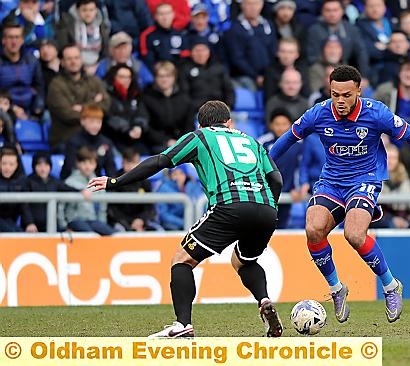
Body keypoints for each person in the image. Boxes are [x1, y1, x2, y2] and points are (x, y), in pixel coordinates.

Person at [87, 100, 284, 338]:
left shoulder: (199, 137)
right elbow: (277, 179)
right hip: (266, 209)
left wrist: (115, 182)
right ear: (229, 123)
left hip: (229, 205)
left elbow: (160, 161)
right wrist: (267, 208)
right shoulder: (252, 141)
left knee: (182, 260)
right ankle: (264, 301)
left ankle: (183, 325)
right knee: (244, 262)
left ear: (200, 124)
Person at [269, 65, 410, 324]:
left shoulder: (376, 113)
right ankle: (337, 289)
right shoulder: (319, 113)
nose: (340, 100)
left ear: (359, 91)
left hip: (365, 179)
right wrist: (264, 167)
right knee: (314, 229)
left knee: (354, 234)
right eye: (335, 94)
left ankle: (391, 286)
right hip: (331, 181)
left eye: (346, 95)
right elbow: (288, 139)